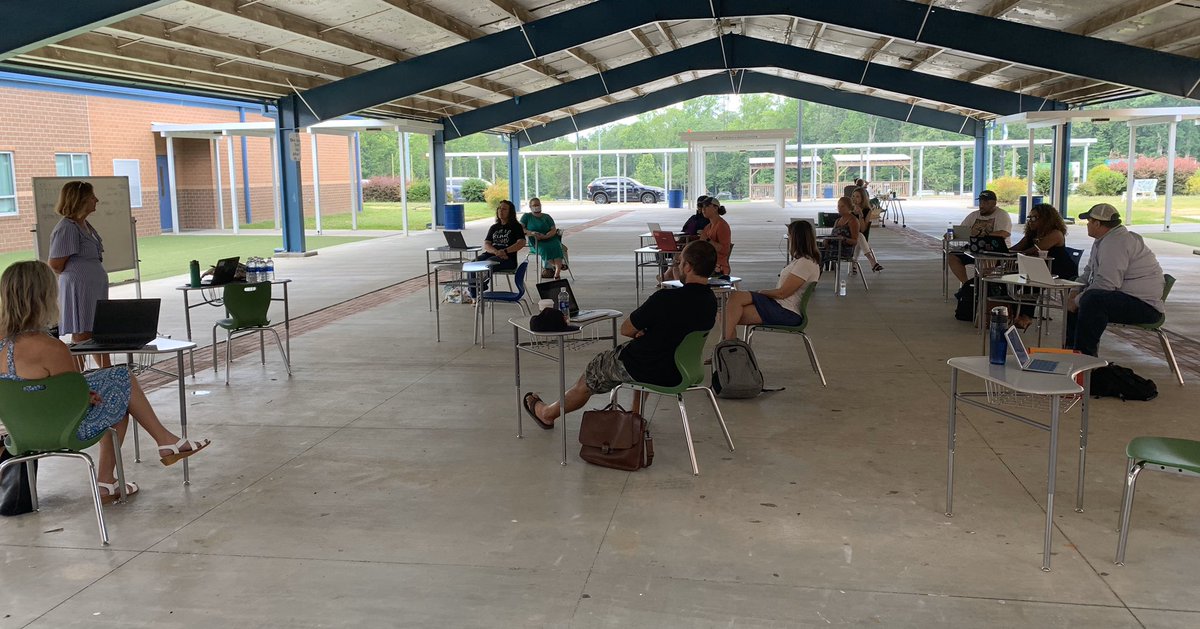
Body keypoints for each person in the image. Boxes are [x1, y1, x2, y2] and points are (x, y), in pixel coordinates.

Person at [0, 261, 209, 502]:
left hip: (19, 434)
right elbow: (74, 395)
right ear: (44, 297)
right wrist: (88, 393)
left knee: (117, 392)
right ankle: (147, 453)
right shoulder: (50, 348)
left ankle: (117, 476)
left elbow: (54, 390)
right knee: (119, 392)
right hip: (63, 432)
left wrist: (85, 392)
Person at [522, 241, 718, 428]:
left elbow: (626, 329)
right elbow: (676, 328)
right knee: (646, 351)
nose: (677, 265)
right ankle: (635, 415)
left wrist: (644, 330)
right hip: (682, 370)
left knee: (592, 373)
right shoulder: (711, 301)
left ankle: (547, 413)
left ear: (688, 267)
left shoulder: (665, 299)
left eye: (679, 261)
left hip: (651, 368)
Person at [1065, 203, 1165, 357]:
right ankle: (1072, 351)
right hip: (1126, 298)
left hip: (1144, 306)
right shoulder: (1104, 240)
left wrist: (1077, 300)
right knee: (1085, 296)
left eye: (1089, 221)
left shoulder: (1116, 243)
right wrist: (1074, 291)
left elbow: (1107, 284)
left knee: (1092, 300)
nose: (1087, 225)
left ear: (1097, 223)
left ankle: (1085, 358)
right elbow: (1088, 272)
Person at [722, 220, 821, 340]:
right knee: (728, 310)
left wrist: (761, 292)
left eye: (789, 235)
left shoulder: (805, 264)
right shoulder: (802, 261)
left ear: (796, 238)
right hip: (779, 306)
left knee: (728, 313)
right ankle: (728, 349)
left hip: (787, 311)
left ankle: (725, 350)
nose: (788, 238)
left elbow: (782, 293)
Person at [47, 180, 111, 368]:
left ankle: (104, 372)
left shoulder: (84, 225)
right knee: (83, 331)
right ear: (81, 200)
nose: (96, 200)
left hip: (92, 287)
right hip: (79, 288)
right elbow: (56, 264)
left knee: (95, 330)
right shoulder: (67, 227)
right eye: (92, 197)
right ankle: (82, 375)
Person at [1008, 203, 1072, 329]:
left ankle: (1025, 316)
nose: (1030, 221)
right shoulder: (1032, 234)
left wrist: (1017, 253)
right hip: (1040, 268)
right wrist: (1000, 252)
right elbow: (1016, 248)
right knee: (1011, 280)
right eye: (1029, 218)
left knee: (1032, 283)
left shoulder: (1056, 234)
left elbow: (1034, 250)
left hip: (1059, 269)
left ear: (1046, 219)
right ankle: (1013, 312)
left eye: (1034, 218)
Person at [947, 189, 1012, 285]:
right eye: (980, 202)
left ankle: (981, 287)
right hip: (974, 250)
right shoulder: (973, 215)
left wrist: (980, 234)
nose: (982, 205)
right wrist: (951, 234)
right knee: (952, 256)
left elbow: (1004, 233)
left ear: (994, 203)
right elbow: (961, 230)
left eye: (986, 202)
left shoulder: (1002, 215)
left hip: (996, 252)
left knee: (986, 261)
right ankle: (967, 285)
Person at [468, 200, 526, 298]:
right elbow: (487, 244)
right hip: (492, 254)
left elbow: (521, 243)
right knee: (473, 264)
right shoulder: (494, 227)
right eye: (499, 208)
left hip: (507, 258)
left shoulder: (516, 226)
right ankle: (474, 294)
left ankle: (480, 288)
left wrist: (505, 251)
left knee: (489, 262)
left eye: (504, 209)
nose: (500, 211)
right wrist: (496, 251)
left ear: (510, 212)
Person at [519, 197, 564, 279]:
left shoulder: (547, 217)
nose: (536, 206)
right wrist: (531, 233)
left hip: (550, 238)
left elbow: (553, 229)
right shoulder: (526, 216)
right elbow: (520, 228)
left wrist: (546, 236)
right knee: (544, 249)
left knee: (557, 246)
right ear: (530, 207)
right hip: (535, 241)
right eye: (534, 205)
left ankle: (557, 273)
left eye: (538, 204)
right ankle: (556, 266)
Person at [848, 187, 884, 272]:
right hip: (848, 234)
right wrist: (851, 213)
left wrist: (861, 215)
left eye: (857, 197)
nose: (854, 199)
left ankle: (854, 264)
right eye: (853, 196)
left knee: (859, 236)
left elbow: (863, 229)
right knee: (859, 236)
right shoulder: (849, 208)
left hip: (859, 236)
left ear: (863, 198)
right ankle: (872, 262)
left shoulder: (867, 210)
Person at [699, 200, 732, 277]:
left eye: (707, 206)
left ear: (715, 208)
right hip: (706, 261)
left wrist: (707, 240)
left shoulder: (722, 226)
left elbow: (724, 250)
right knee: (677, 267)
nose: (703, 209)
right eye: (702, 207)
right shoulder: (708, 227)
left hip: (717, 265)